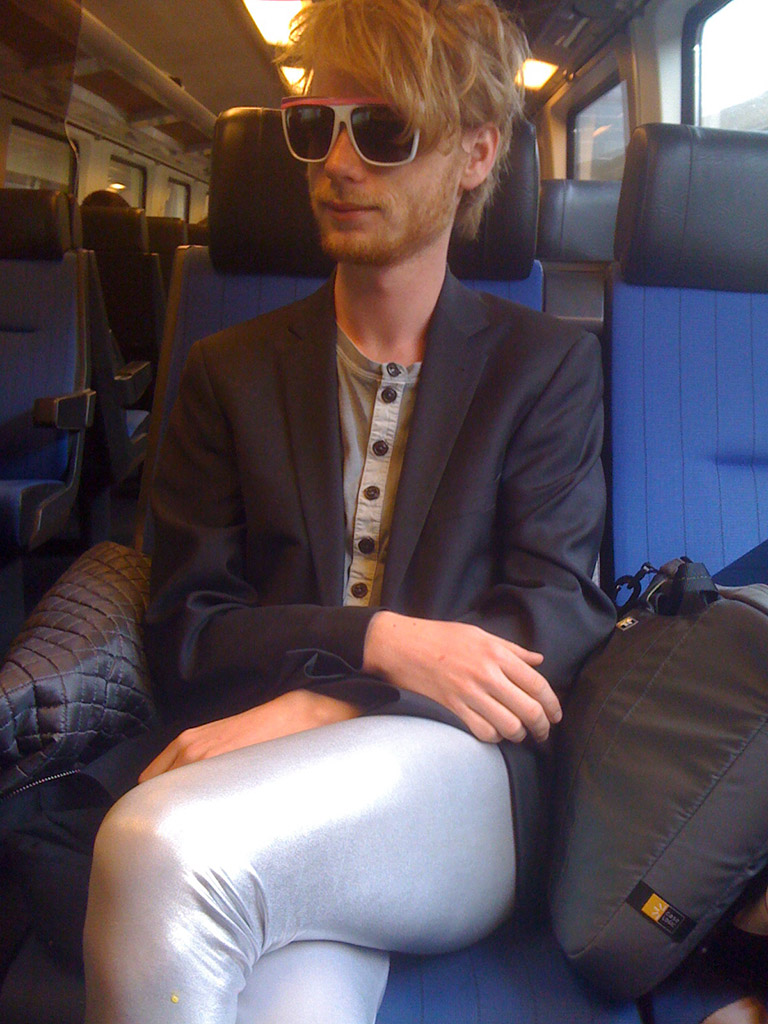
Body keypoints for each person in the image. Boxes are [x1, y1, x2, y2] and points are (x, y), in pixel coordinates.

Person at [82, 1, 616, 1021]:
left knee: (160, 846)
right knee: (285, 998)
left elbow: (552, 620)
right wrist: (377, 639)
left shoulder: (542, 368)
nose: (336, 163)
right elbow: (188, 629)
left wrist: (335, 699)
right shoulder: (226, 372)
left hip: (460, 778)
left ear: (472, 154)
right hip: (260, 766)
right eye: (312, 127)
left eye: (381, 131)